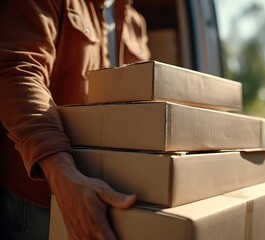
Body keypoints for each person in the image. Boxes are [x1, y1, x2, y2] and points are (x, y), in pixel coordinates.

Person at [0, 0, 151, 239]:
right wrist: (61, 172)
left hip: (107, 196)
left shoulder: (136, 24)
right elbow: (18, 71)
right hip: (37, 201)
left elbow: (144, 101)